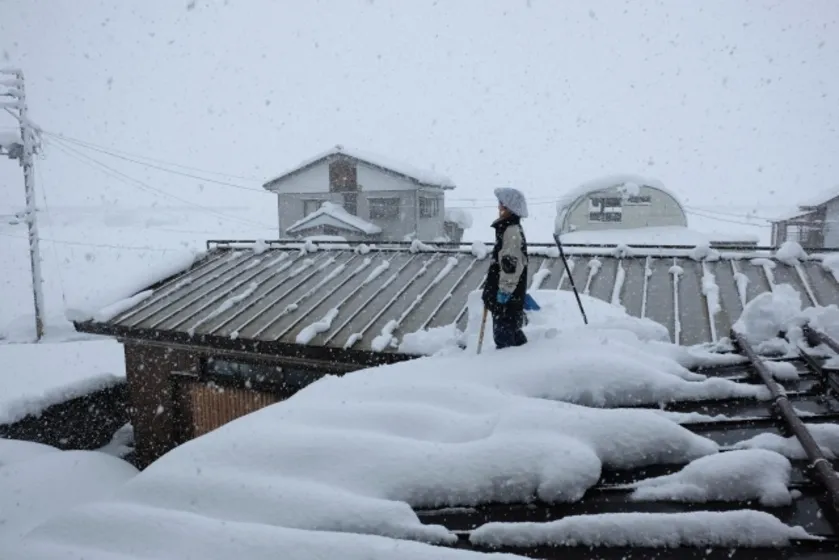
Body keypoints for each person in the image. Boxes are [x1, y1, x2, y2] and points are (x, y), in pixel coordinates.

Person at [482, 187, 529, 349]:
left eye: (502, 204)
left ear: (510, 207)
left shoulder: (511, 231)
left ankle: (510, 370)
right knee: (511, 335)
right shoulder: (508, 229)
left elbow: (510, 265)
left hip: (507, 300)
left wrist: (505, 292)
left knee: (505, 340)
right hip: (509, 299)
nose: (499, 207)